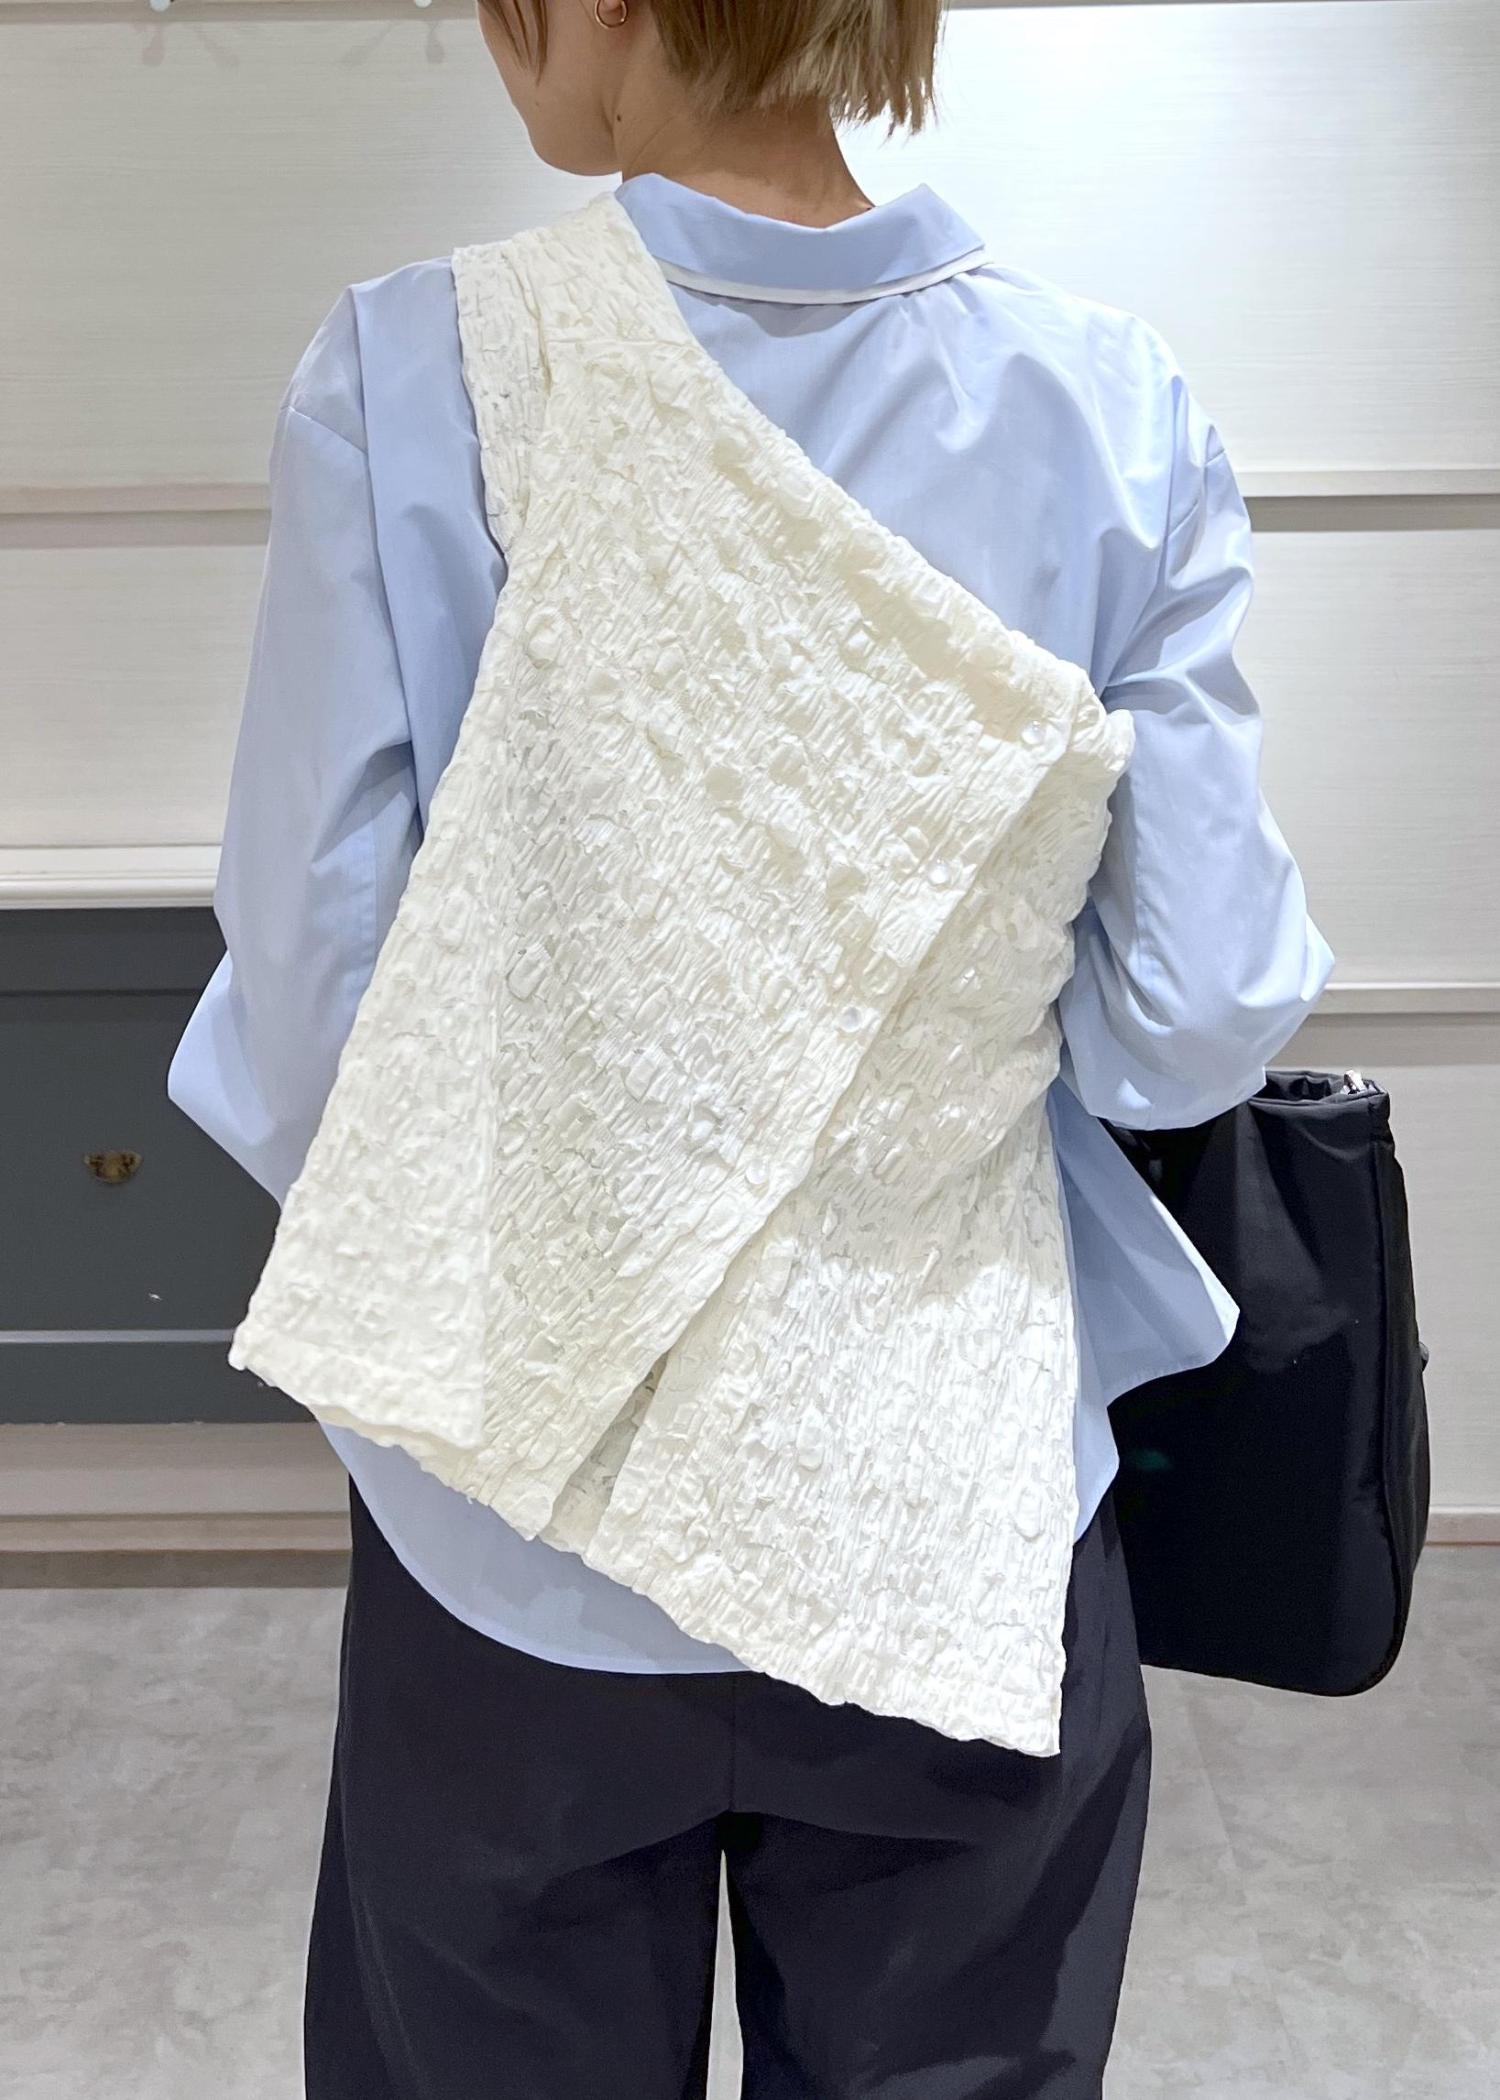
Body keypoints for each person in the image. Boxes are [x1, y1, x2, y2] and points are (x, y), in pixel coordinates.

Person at [166, 1, 1334, 2092]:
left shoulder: (420, 373)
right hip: (948, 1509)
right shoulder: (1111, 407)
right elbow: (1191, 1020)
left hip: (514, 1519)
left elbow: (320, 1003)